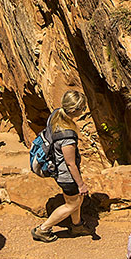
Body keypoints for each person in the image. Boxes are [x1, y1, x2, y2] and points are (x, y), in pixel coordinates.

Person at [32, 90, 92, 242]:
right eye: (82, 108)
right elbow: (70, 163)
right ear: (74, 110)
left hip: (58, 169)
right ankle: (43, 229)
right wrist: (81, 184)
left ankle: (77, 226)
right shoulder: (67, 135)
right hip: (66, 175)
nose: (83, 111)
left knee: (75, 200)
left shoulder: (56, 114)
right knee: (72, 204)